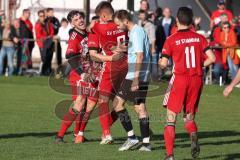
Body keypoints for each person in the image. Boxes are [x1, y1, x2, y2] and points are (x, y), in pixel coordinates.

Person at [159, 7, 215, 160]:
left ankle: (169, 155)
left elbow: (164, 63)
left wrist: (160, 62)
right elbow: (212, 58)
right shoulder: (200, 38)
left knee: (171, 118)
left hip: (180, 79)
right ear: (191, 22)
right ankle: (193, 133)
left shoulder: (171, 39)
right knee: (188, 117)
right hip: (196, 80)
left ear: (177, 20)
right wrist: (198, 65)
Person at [55, 10, 104, 144]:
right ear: (72, 24)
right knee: (80, 103)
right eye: (76, 20)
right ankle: (59, 136)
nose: (80, 20)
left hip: (92, 73)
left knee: (88, 106)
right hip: (79, 75)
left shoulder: (88, 33)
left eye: (81, 18)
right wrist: (82, 72)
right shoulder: (74, 36)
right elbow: (70, 56)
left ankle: (78, 134)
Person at [88, 1, 128, 144]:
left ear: (104, 16)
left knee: (103, 100)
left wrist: (109, 57)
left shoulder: (97, 28)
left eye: (99, 17)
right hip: (127, 65)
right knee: (120, 102)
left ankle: (106, 134)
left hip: (111, 67)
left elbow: (92, 54)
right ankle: (139, 131)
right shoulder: (123, 23)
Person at [113, 9, 151, 151]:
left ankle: (132, 138)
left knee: (117, 104)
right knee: (139, 107)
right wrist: (121, 49)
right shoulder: (135, 32)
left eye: (118, 24)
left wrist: (135, 79)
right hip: (142, 75)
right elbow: (136, 50)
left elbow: (140, 56)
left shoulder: (136, 32)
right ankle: (146, 144)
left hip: (135, 75)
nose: (117, 27)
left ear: (125, 21)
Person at [35, 10, 54, 76]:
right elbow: (39, 36)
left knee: (49, 58)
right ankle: (42, 72)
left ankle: (47, 72)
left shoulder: (48, 23)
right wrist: (47, 37)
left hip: (49, 43)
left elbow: (52, 31)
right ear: (39, 16)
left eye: (43, 16)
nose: (42, 17)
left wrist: (49, 36)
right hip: (42, 44)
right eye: (41, 16)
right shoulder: (37, 24)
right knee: (44, 58)